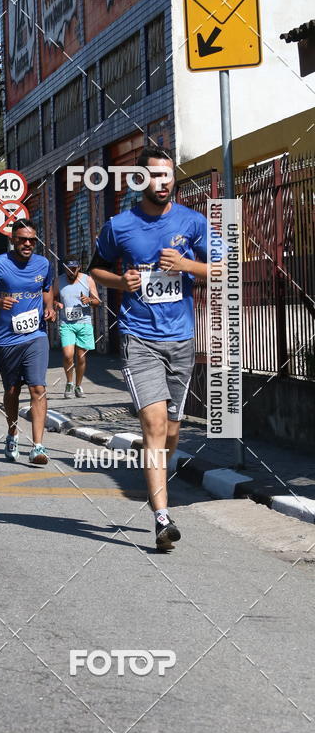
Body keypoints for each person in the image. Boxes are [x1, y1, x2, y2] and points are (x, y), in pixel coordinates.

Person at [89, 146, 210, 552]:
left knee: (172, 429)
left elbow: (227, 267)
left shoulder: (192, 221)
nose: (162, 182)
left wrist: (187, 265)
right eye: (154, 176)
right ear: (139, 180)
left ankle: (160, 471)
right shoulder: (119, 226)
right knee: (155, 426)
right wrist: (121, 283)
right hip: (139, 338)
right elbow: (96, 270)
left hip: (180, 338)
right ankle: (162, 517)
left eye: (167, 175)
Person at [0, 219, 56, 466]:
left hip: (36, 336)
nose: (28, 244)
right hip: (7, 339)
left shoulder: (44, 264)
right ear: (13, 240)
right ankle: (12, 434)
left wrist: (50, 307)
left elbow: (47, 288)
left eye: (32, 239)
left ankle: (38, 446)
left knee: (38, 388)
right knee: (12, 391)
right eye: (23, 239)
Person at [54, 256, 101, 398]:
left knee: (81, 357)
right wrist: (56, 304)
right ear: (65, 269)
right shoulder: (58, 281)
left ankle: (79, 386)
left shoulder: (87, 280)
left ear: (79, 268)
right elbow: (53, 298)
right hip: (66, 324)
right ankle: (69, 383)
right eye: (69, 269)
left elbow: (98, 301)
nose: (71, 272)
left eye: (74, 269)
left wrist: (89, 300)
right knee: (68, 355)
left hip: (84, 323)